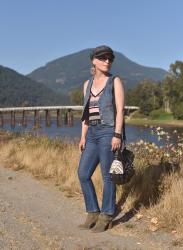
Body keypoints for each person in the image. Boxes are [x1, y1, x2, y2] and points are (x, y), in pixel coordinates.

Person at [78, 45, 125, 232]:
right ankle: (92, 212)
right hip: (91, 135)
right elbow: (86, 114)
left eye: (110, 58)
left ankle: (106, 215)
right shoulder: (87, 85)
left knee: (108, 176)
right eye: (103, 58)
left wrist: (117, 134)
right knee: (83, 174)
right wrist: (82, 137)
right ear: (94, 61)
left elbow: (120, 110)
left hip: (108, 132)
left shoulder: (115, 82)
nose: (107, 61)